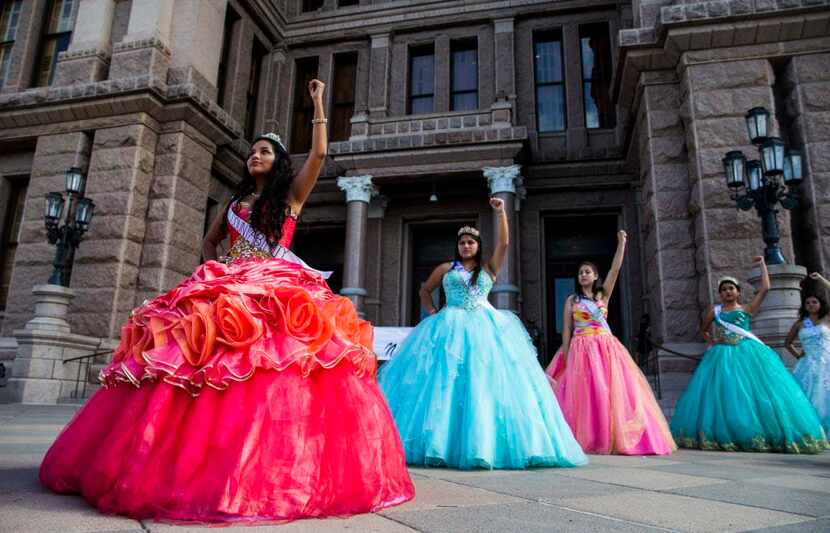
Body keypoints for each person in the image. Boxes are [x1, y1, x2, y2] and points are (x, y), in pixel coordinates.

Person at [39, 80, 415, 523]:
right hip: (228, 281)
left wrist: (316, 105)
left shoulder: (290, 198)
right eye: (253, 151)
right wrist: (212, 268)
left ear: (278, 165)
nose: (255, 155)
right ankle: (183, 462)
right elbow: (210, 240)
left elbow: (318, 156)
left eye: (265, 152)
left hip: (275, 283)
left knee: (270, 367)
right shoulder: (236, 202)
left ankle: (261, 470)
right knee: (196, 365)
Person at [377, 198, 587, 470]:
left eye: (471, 242)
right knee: (443, 382)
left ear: (478, 247)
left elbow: (504, 244)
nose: (466, 246)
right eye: (462, 242)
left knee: (483, 381)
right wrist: (432, 311)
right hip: (448, 325)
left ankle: (483, 444)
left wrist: (501, 213)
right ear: (458, 246)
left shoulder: (489, 269)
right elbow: (424, 290)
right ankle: (439, 443)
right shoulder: (445, 269)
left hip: (485, 326)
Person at [670, 257, 828, 453]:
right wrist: (713, 342)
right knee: (724, 394)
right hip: (722, 356)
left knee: (756, 392)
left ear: (738, 292)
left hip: (748, 352)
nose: (728, 292)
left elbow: (766, 288)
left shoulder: (747, 309)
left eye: (731, 288)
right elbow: (703, 329)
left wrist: (762, 264)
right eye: (724, 289)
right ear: (720, 294)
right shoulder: (715, 311)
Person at [545, 231, 675, 455]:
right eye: (580, 273)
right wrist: (567, 356)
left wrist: (622, 244)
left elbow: (615, 269)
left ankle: (613, 436)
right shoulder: (572, 300)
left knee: (608, 392)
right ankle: (589, 437)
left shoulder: (602, 296)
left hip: (605, 348)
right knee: (585, 395)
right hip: (580, 348)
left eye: (587, 272)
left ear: (596, 276)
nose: (583, 275)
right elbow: (566, 330)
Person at [785, 273, 830, 433]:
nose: (811, 304)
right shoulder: (801, 324)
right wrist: (798, 355)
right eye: (808, 302)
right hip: (808, 365)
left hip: (827, 363)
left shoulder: (827, 319)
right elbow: (787, 343)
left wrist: (821, 280)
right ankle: (814, 430)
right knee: (809, 396)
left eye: (814, 302)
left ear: (820, 304)